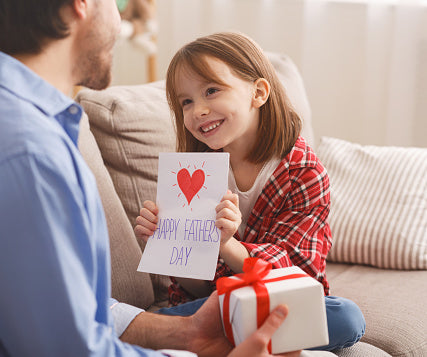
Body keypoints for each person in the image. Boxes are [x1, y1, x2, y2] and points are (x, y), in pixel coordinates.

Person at [0, 1, 300, 356]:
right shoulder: (26, 154)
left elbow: (58, 310)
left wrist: (183, 332)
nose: (120, 20)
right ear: (81, 5)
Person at [134, 32, 366, 351]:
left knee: (346, 317)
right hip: (213, 305)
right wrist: (168, 242)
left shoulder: (303, 172)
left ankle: (189, 334)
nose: (198, 109)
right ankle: (205, 333)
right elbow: (197, 288)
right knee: (184, 314)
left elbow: (300, 276)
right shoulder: (194, 173)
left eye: (211, 90)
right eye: (186, 101)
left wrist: (227, 245)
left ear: (258, 93)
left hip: (275, 297)